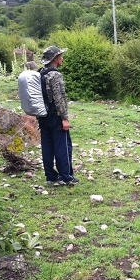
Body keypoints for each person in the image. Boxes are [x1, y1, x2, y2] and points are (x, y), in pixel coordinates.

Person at [38, 45, 78, 186]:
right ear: (55, 59)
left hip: (43, 116)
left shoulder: (41, 73)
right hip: (55, 116)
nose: (62, 58)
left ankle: (50, 176)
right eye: (60, 56)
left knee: (47, 147)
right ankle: (66, 176)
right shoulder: (55, 75)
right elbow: (59, 98)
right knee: (63, 146)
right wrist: (64, 118)